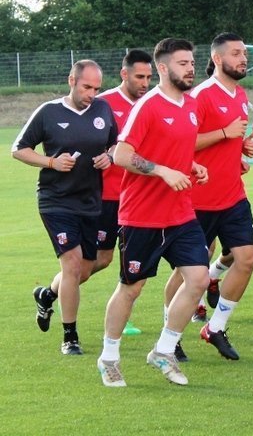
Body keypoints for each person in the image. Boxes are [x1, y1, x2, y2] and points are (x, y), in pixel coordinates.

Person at [97, 38, 210, 387]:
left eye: (192, 62)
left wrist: (190, 165)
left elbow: (171, 146)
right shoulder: (148, 106)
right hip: (142, 216)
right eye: (182, 63)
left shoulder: (190, 105)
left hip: (180, 213)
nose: (190, 68)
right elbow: (121, 155)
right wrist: (163, 171)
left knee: (199, 279)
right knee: (131, 288)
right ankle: (109, 357)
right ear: (163, 68)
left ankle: (163, 350)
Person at [13, 60, 118, 355]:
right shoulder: (48, 112)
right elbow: (18, 149)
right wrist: (51, 162)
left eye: (96, 88)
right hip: (56, 200)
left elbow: (116, 144)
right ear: (71, 80)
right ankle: (70, 337)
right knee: (71, 265)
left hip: (91, 201)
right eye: (86, 87)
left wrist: (109, 156)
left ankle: (47, 295)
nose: (92, 94)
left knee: (85, 269)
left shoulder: (102, 109)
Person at [184, 33, 253, 360]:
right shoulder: (200, 96)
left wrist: (239, 148)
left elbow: (226, 141)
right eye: (235, 53)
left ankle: (215, 327)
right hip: (197, 200)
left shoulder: (240, 94)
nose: (243, 58)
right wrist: (225, 134)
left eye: (244, 53)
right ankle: (168, 335)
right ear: (217, 59)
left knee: (247, 259)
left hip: (232, 197)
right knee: (189, 274)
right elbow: (182, 143)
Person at [96, 50, 154, 337]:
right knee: (99, 260)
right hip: (108, 194)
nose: (144, 83)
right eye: (139, 77)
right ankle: (54, 291)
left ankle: (124, 318)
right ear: (124, 74)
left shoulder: (153, 104)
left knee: (131, 260)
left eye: (148, 77)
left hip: (140, 197)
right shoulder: (104, 103)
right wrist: (104, 153)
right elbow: (90, 141)